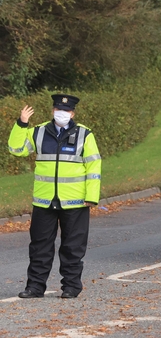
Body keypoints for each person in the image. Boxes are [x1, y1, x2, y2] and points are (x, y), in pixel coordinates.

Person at [7, 94, 101, 299]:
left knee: (73, 247)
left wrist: (92, 196)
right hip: (44, 200)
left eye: (66, 111)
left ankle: (71, 287)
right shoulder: (39, 132)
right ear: (52, 111)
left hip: (75, 201)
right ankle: (35, 287)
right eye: (59, 109)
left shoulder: (85, 134)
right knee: (39, 246)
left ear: (72, 114)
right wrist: (21, 124)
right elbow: (16, 149)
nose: (62, 113)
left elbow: (94, 166)